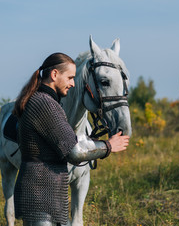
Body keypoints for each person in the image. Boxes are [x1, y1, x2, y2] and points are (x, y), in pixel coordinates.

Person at [12, 52, 130, 226]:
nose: (73, 83)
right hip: (40, 196)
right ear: (54, 75)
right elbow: (74, 152)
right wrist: (108, 146)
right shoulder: (45, 104)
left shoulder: (44, 101)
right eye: (70, 78)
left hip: (46, 197)